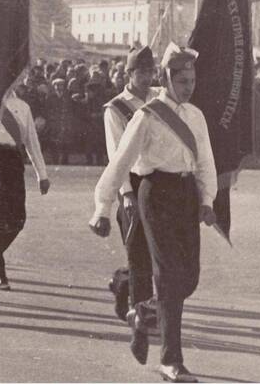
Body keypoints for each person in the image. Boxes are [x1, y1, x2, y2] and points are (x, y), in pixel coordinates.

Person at [88, 42, 218, 382]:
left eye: (192, 81)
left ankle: (142, 308)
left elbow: (205, 160)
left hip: (186, 195)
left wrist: (207, 200)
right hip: (155, 194)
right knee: (169, 276)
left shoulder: (196, 116)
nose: (189, 88)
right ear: (168, 79)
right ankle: (171, 360)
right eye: (183, 81)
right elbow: (120, 162)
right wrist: (103, 207)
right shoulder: (148, 115)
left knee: (189, 278)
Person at [0, 86, 50, 291]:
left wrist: (42, 174)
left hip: (13, 161)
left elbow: (32, 142)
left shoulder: (22, 107)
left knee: (18, 218)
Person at [103, 46, 160, 330]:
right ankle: (143, 313)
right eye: (141, 72)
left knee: (154, 248)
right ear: (129, 74)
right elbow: (116, 155)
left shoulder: (160, 98)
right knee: (138, 249)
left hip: (157, 179)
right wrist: (125, 193)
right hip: (132, 180)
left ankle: (122, 282)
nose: (147, 78)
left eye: (150, 72)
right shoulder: (116, 109)